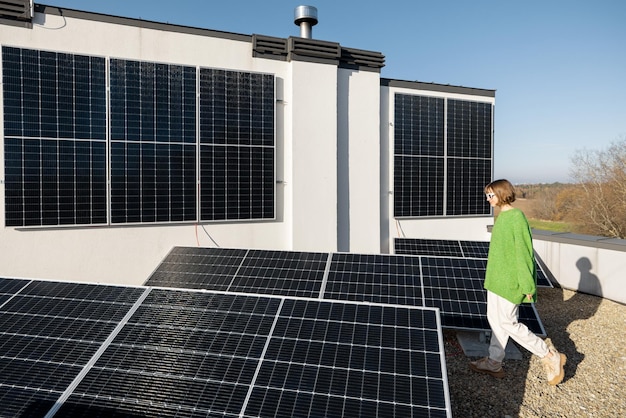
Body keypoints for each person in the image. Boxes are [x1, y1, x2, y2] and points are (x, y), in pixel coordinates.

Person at [469, 179, 566, 385]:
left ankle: (549, 355)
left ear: (503, 194)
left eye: (491, 195)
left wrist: (527, 284)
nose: (488, 199)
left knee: (508, 323)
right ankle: (494, 362)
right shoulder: (502, 217)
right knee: (495, 322)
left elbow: (524, 253)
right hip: (495, 280)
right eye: (487, 195)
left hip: (510, 282)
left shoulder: (516, 217)